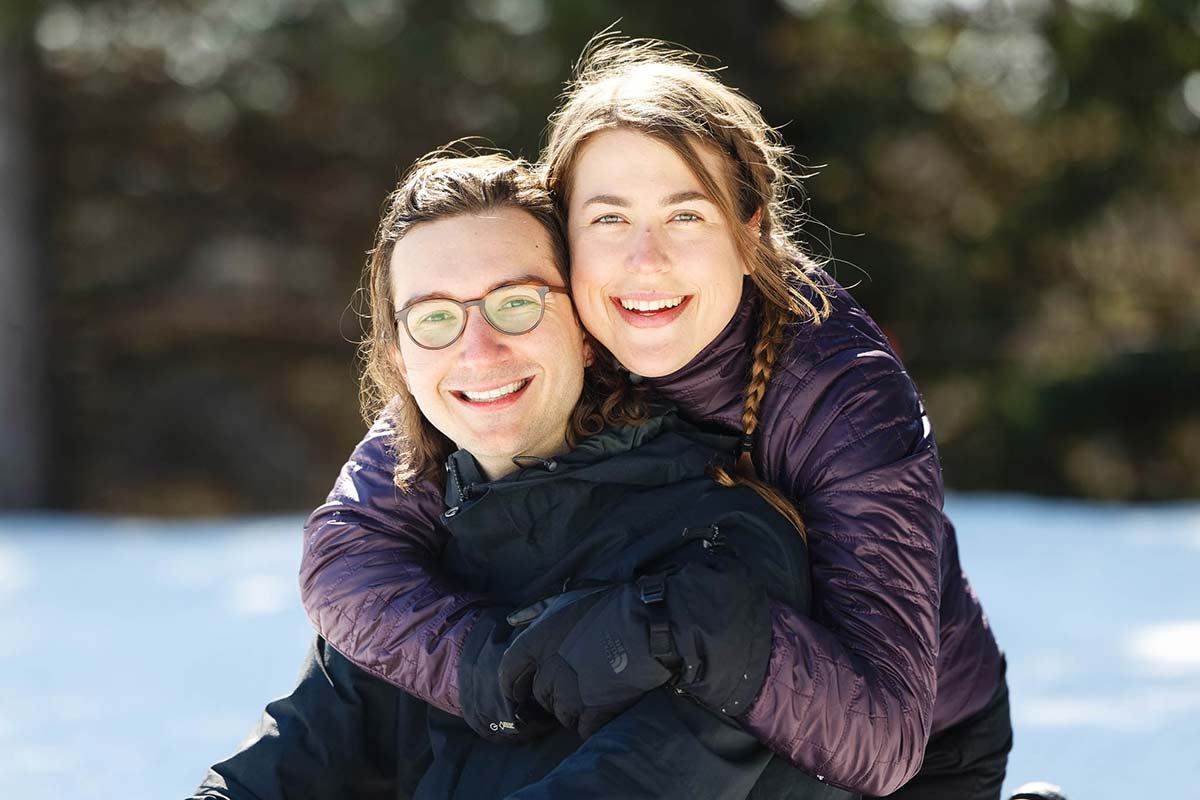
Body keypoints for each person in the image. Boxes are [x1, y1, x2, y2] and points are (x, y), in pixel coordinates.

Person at [301, 39, 1011, 799]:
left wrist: (683, 625)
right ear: (563, 235)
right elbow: (347, 553)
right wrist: (492, 666)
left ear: (750, 230)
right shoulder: (531, 335)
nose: (646, 260)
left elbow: (885, 736)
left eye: (686, 215)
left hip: (914, 757)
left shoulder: (841, 390)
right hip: (682, 719)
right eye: (609, 219)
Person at [194, 153, 854, 799]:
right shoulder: (412, 564)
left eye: (516, 303)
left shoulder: (722, 541)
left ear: (586, 328)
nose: (478, 351)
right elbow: (283, 767)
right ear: (399, 359)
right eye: (434, 318)